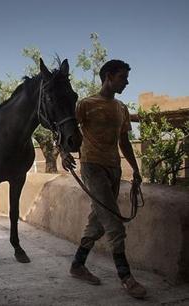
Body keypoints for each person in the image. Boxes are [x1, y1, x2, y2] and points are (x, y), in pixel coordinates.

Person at [61, 60, 146, 299]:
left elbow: (125, 143)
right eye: (122, 77)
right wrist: (63, 153)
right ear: (108, 76)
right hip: (92, 167)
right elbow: (66, 129)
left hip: (114, 168)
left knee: (97, 221)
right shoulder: (86, 104)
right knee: (113, 223)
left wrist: (135, 169)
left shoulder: (121, 108)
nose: (126, 82)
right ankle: (126, 277)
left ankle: (77, 265)